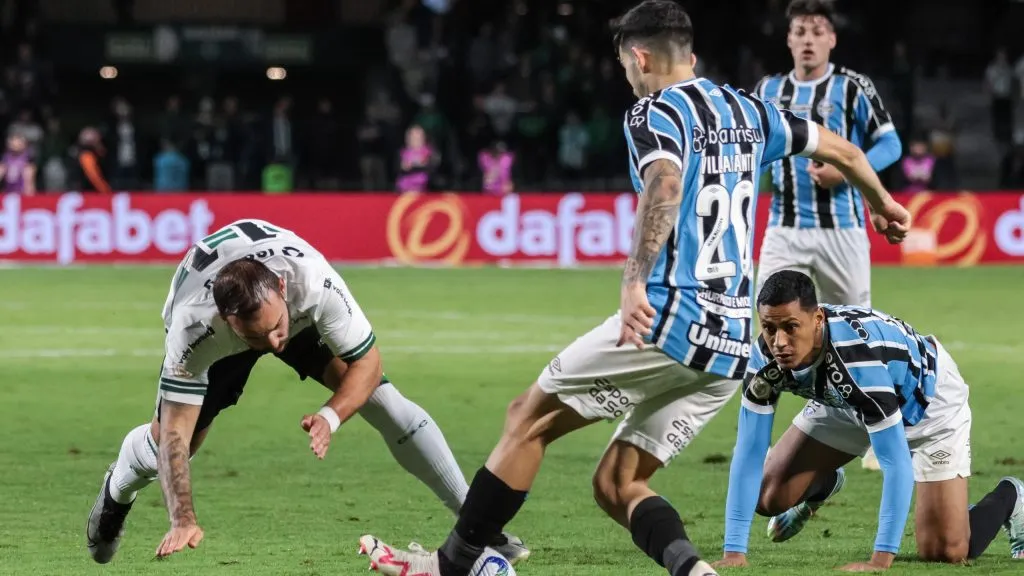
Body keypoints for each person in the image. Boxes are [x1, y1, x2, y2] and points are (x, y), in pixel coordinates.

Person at [355, 1, 910, 575]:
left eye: (626, 67)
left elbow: (665, 180)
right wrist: (885, 205)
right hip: (732, 347)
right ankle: (695, 571)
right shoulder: (753, 110)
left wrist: (633, 281)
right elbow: (842, 150)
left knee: (529, 418)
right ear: (688, 54)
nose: (628, 78)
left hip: (670, 321)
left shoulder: (654, 112)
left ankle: (453, 564)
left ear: (640, 57)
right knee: (618, 482)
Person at [85, 219, 529, 565]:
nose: (274, 345)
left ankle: (479, 527)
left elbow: (368, 365)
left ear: (280, 287)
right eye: (259, 339)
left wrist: (331, 414)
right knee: (169, 443)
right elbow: (176, 438)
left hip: (295, 314)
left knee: (381, 399)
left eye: (276, 330)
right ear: (228, 321)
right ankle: (119, 486)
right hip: (221, 342)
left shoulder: (311, 280)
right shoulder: (194, 327)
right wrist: (182, 518)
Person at [716, 270, 1024, 571]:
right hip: (844, 400)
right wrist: (734, 552)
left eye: (791, 327)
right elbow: (749, 450)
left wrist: (880, 560)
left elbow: (895, 463)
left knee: (944, 550)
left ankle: (1011, 497)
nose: (779, 342)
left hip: (926, 402)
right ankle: (822, 484)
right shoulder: (762, 359)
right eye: (769, 328)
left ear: (818, 319)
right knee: (767, 495)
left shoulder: (857, 358)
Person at [753, 0, 904, 471]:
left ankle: (876, 431)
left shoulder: (853, 87)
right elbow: (755, 148)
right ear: (789, 39)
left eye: (817, 31)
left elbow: (891, 144)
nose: (808, 39)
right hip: (784, 226)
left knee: (858, 331)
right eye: (800, 31)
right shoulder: (767, 89)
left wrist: (847, 172)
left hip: (841, 230)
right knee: (769, 325)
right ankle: (765, 428)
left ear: (832, 39)